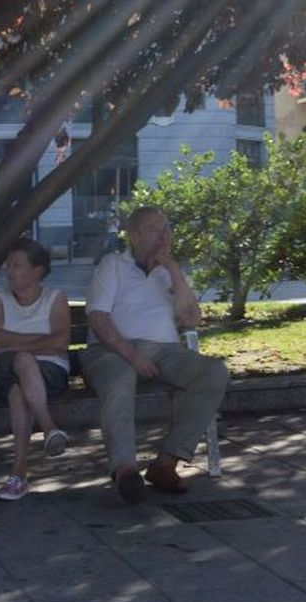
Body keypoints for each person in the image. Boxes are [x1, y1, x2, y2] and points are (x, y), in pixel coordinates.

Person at [82, 206, 228, 504]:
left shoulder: (170, 272)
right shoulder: (112, 265)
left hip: (166, 352)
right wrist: (131, 354)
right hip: (111, 350)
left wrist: (172, 269)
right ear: (133, 236)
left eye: (167, 229)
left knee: (214, 372)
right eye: (154, 229)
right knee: (121, 377)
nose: (164, 236)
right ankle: (125, 471)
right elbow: (98, 319)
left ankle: (166, 463)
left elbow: (191, 320)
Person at [0, 237, 72, 501]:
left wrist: (14, 341)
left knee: (18, 390)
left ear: (37, 271)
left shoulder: (56, 298)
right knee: (22, 360)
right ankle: (48, 427)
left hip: (50, 372)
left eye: (17, 265)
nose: (9, 271)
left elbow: (61, 342)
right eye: (8, 265)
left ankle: (19, 474)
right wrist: (39, 344)